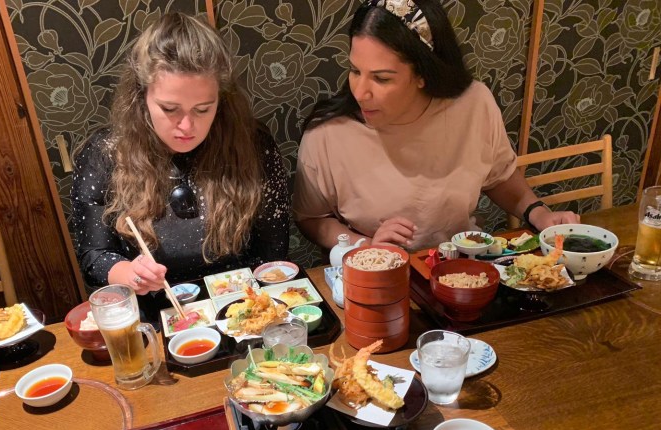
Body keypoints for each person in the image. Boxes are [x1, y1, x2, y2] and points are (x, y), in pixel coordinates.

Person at [293, 0, 579, 252]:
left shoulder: (473, 103)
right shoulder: (328, 133)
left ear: (422, 74)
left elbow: (499, 176)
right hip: (379, 276)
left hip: (461, 263)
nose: (360, 92)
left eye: (381, 79)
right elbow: (312, 218)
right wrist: (366, 246)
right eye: (355, 71)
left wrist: (539, 213)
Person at [71, 12, 290, 309]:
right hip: (154, 309)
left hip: (241, 304)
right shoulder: (105, 153)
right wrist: (129, 273)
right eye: (169, 109)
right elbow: (93, 255)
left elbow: (272, 252)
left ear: (221, 100)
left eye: (203, 109)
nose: (186, 126)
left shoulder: (253, 145)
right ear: (142, 96)